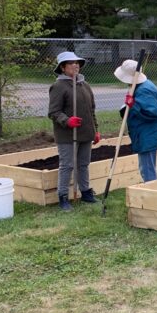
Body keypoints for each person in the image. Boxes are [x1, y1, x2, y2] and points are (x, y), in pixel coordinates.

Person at [48, 51, 100, 211]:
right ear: (63, 67)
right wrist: (67, 120)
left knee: (83, 164)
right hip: (67, 134)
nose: (75, 65)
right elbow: (53, 112)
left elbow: (91, 110)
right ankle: (63, 196)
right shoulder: (58, 86)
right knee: (67, 165)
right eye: (71, 63)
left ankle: (85, 192)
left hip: (85, 133)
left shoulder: (84, 85)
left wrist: (95, 130)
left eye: (77, 62)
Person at [114, 59, 157, 182]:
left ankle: (151, 193)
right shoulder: (140, 86)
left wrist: (133, 105)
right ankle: (152, 187)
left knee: (147, 168)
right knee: (148, 166)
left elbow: (153, 112)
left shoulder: (144, 89)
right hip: (146, 133)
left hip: (148, 134)